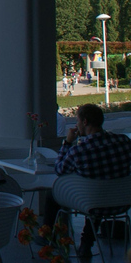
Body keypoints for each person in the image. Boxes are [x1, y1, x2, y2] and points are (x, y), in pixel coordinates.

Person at [43, 104, 131, 258]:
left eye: (77, 121)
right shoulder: (123, 141)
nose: (76, 124)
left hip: (93, 202)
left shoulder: (79, 151)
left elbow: (60, 170)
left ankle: (47, 237)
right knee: (100, 193)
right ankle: (86, 243)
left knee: (52, 196)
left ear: (84, 122)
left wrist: (67, 143)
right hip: (122, 201)